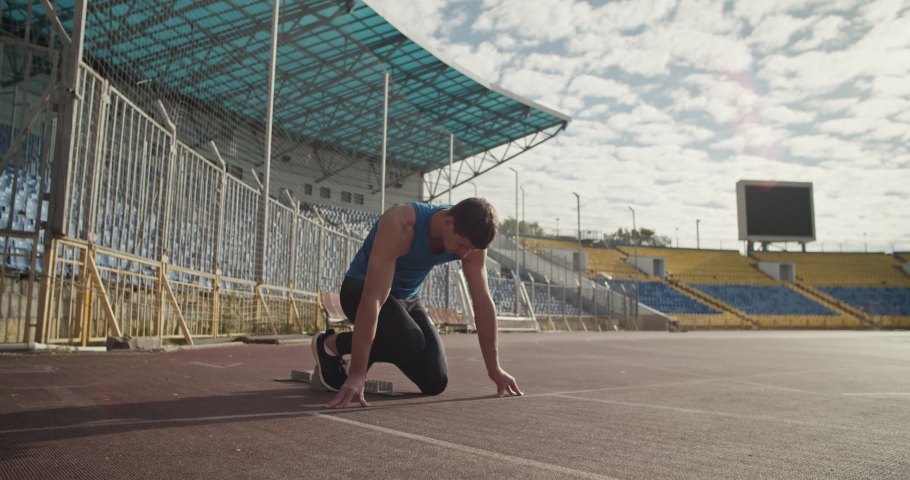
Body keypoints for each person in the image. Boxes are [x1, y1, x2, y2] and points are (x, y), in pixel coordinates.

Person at [311, 198, 523, 408]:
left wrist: (494, 369)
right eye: (461, 246)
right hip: (361, 290)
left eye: (469, 250)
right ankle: (330, 344)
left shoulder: (471, 243)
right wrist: (358, 373)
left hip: (407, 297)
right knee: (408, 341)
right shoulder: (400, 223)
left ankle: (371, 347)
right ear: (449, 223)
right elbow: (373, 299)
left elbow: (483, 302)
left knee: (435, 382)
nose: (464, 254)